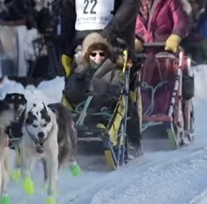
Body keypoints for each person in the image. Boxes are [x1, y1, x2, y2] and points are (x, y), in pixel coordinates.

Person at [59, 0, 142, 158]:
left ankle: (131, 139)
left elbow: (131, 4)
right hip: (81, 44)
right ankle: (71, 129)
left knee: (114, 89)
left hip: (115, 42)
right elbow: (67, 12)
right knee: (76, 89)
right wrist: (65, 46)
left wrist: (109, 32)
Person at [135, 0, 194, 104]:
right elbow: (124, 25)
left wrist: (176, 35)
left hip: (165, 50)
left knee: (168, 80)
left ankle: (163, 109)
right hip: (140, 52)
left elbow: (182, 20)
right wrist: (133, 39)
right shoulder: (128, 3)